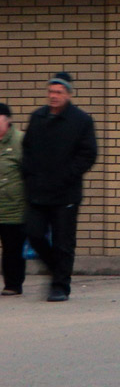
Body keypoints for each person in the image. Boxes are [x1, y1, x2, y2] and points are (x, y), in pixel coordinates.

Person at [23, 73, 98, 303]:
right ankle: (57, 268)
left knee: (64, 241)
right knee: (34, 234)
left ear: (68, 94)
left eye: (58, 92)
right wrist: (30, 176)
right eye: (51, 92)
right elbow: (27, 149)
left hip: (66, 192)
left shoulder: (81, 121)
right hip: (38, 192)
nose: (53, 96)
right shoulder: (38, 117)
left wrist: (67, 175)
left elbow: (88, 154)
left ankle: (60, 287)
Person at [0, 103, 25, 296]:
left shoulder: (20, 141)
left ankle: (13, 284)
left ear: (7, 121)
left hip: (14, 206)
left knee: (12, 248)